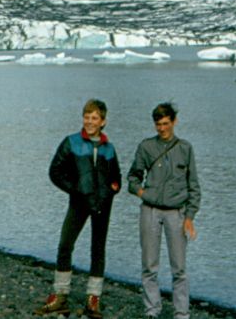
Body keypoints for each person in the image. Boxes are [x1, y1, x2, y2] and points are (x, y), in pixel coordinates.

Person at [35, 99, 122, 318]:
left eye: (94, 118)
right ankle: (60, 295)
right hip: (79, 202)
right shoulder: (71, 142)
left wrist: (111, 190)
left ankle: (93, 299)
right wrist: (74, 189)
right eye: (87, 117)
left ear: (103, 121)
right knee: (65, 244)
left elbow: (116, 177)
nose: (90, 122)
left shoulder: (109, 148)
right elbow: (55, 171)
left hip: (103, 204)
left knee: (98, 250)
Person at [127, 102, 201, 319]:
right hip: (149, 211)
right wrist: (142, 194)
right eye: (158, 124)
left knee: (179, 268)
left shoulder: (186, 148)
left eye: (166, 123)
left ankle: (181, 313)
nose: (162, 128)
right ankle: (152, 311)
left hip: (176, 213)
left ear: (174, 121)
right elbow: (132, 178)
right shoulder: (146, 147)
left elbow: (194, 187)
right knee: (149, 266)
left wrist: (190, 217)